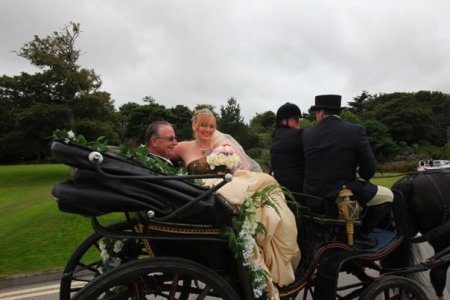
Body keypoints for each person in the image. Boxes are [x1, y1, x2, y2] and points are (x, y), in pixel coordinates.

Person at [175, 109, 300, 299]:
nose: (207, 130)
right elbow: (162, 155)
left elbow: (242, 167)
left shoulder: (223, 146)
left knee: (259, 190)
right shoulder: (183, 147)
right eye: (203, 125)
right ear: (194, 126)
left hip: (223, 185)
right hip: (201, 191)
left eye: (211, 126)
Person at [302, 94, 393, 247]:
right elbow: (369, 170)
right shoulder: (355, 131)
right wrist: (362, 174)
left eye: (316, 112)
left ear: (321, 112)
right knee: (389, 196)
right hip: (340, 195)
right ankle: (361, 233)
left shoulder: (307, 134)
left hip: (312, 195)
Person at [270, 102, 305, 206]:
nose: (298, 122)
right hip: (299, 190)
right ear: (284, 121)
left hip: (280, 188)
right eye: (295, 119)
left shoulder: (276, 137)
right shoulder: (298, 135)